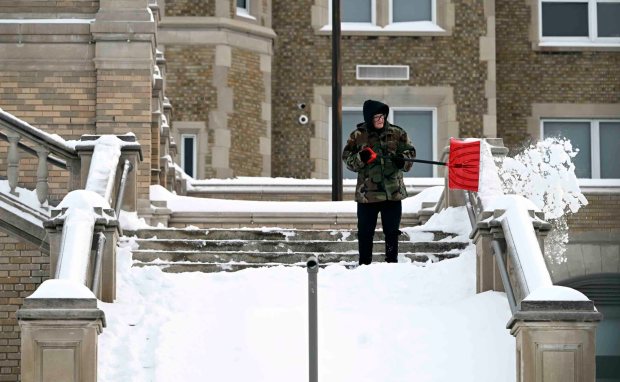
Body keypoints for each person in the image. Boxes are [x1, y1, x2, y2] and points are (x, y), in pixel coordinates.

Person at [342, 99, 416, 265]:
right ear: (369, 118)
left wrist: (402, 160)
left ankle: (392, 262)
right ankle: (364, 263)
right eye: (376, 117)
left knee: (391, 232)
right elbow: (347, 161)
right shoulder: (358, 136)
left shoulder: (397, 133)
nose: (381, 120)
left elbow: (411, 154)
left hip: (392, 193)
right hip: (367, 195)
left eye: (382, 116)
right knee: (365, 232)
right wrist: (361, 158)